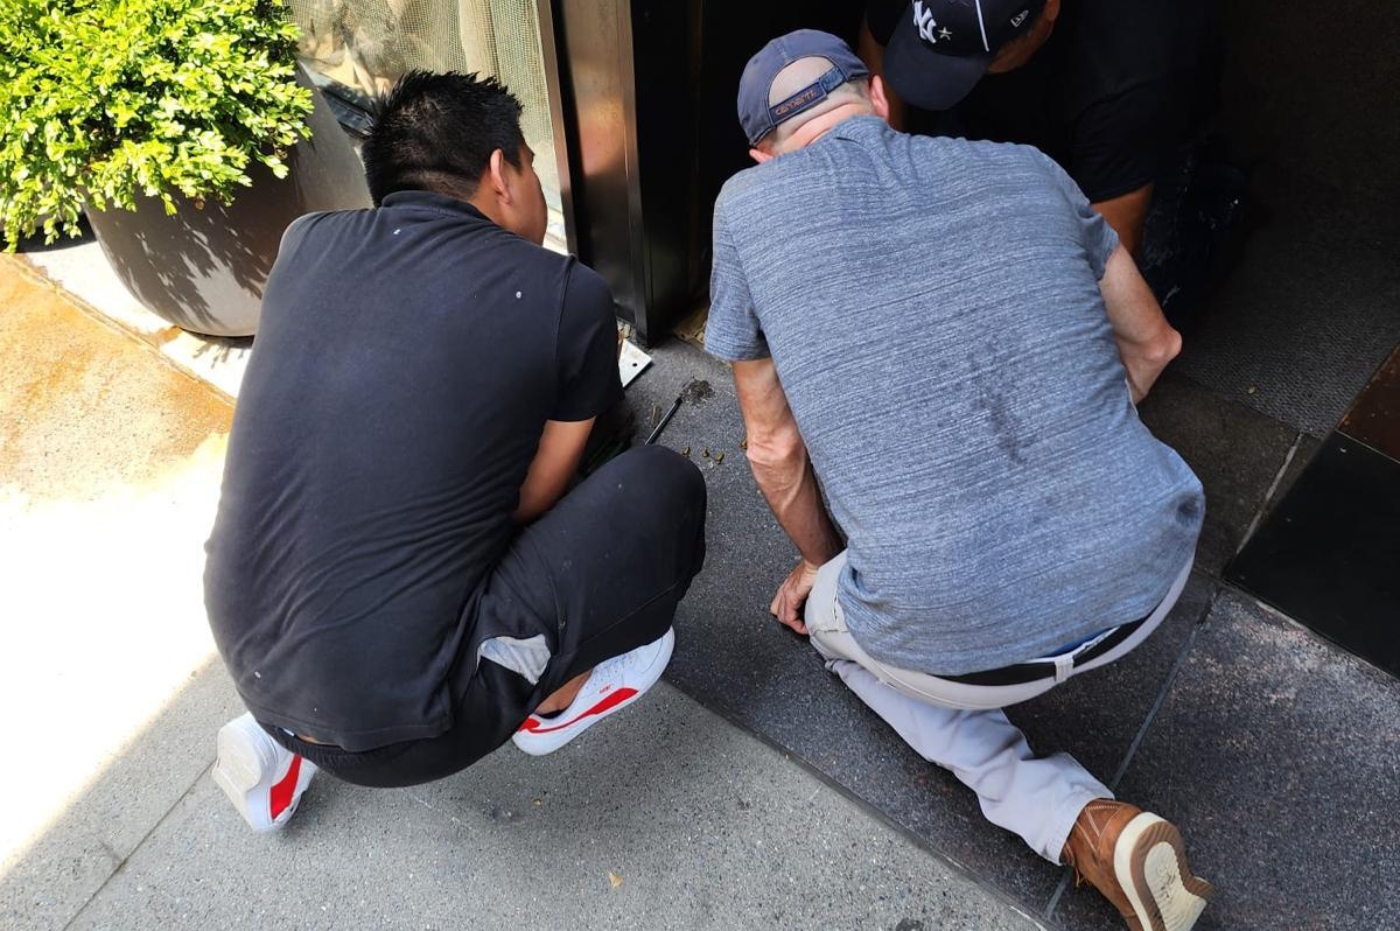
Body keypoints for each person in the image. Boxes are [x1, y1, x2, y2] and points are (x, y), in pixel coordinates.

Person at [707, 30, 1212, 931]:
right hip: (1152, 562)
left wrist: (825, 566)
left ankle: (1076, 818)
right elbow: (1154, 343)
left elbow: (773, 449)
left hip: (956, 645)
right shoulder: (1028, 168)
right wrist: (1073, 455)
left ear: (763, 154)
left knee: (838, 634)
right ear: (880, 100)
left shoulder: (746, 208)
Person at [204, 71, 706, 832]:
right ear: (502, 172)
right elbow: (533, 499)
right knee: (658, 488)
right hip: (414, 727)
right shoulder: (564, 293)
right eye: (533, 164)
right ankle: (555, 696)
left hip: (247, 654)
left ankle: (285, 745)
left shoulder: (306, 243)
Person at [859, 0, 1229, 319]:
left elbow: (1109, 255)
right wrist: (889, 177)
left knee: (1138, 289)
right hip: (1000, 93)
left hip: (1123, 136)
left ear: (1050, 7)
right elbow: (882, 38)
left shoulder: (1135, 62)